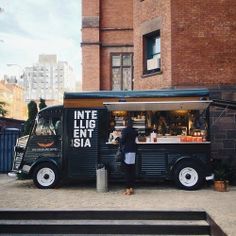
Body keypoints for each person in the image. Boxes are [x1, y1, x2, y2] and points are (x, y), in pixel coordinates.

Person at [120, 117, 138, 195]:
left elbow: (122, 141)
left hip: (127, 152)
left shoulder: (124, 130)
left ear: (126, 123)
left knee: (127, 171)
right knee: (132, 170)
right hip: (133, 151)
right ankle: (131, 188)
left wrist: (118, 139)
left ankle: (127, 189)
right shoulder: (135, 131)